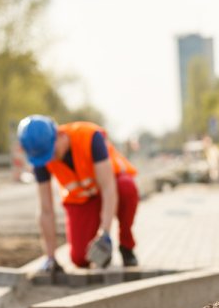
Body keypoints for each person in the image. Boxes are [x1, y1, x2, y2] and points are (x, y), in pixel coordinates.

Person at [17, 115, 140, 270]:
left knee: (126, 187)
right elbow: (45, 210)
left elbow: (109, 188)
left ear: (59, 135)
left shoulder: (89, 137)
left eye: (52, 153)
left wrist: (105, 234)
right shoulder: (41, 158)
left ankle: (126, 245)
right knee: (80, 258)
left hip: (110, 189)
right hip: (82, 200)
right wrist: (50, 257)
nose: (50, 159)